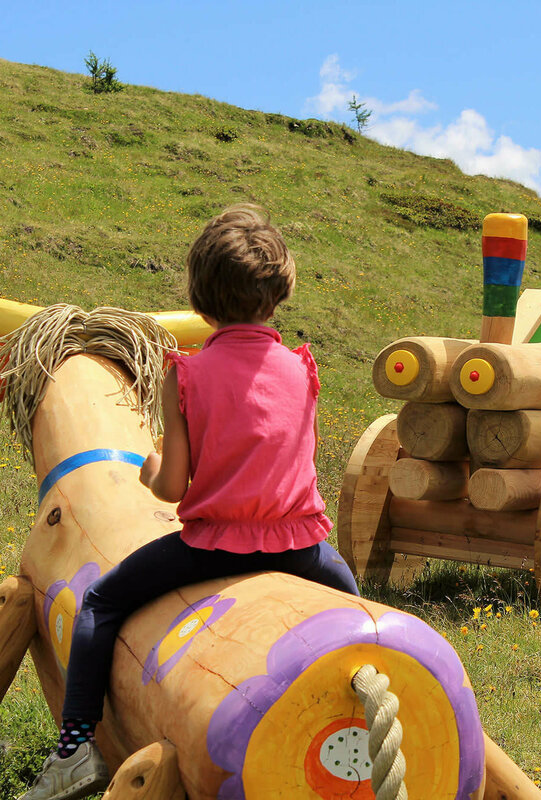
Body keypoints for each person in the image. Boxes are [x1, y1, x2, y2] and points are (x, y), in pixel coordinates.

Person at [19, 204, 359, 800]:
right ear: (279, 293)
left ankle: (75, 747)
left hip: (216, 547)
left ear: (200, 302)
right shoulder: (303, 370)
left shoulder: (188, 376)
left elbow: (172, 487)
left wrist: (149, 469)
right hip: (302, 547)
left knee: (100, 603)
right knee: (356, 607)